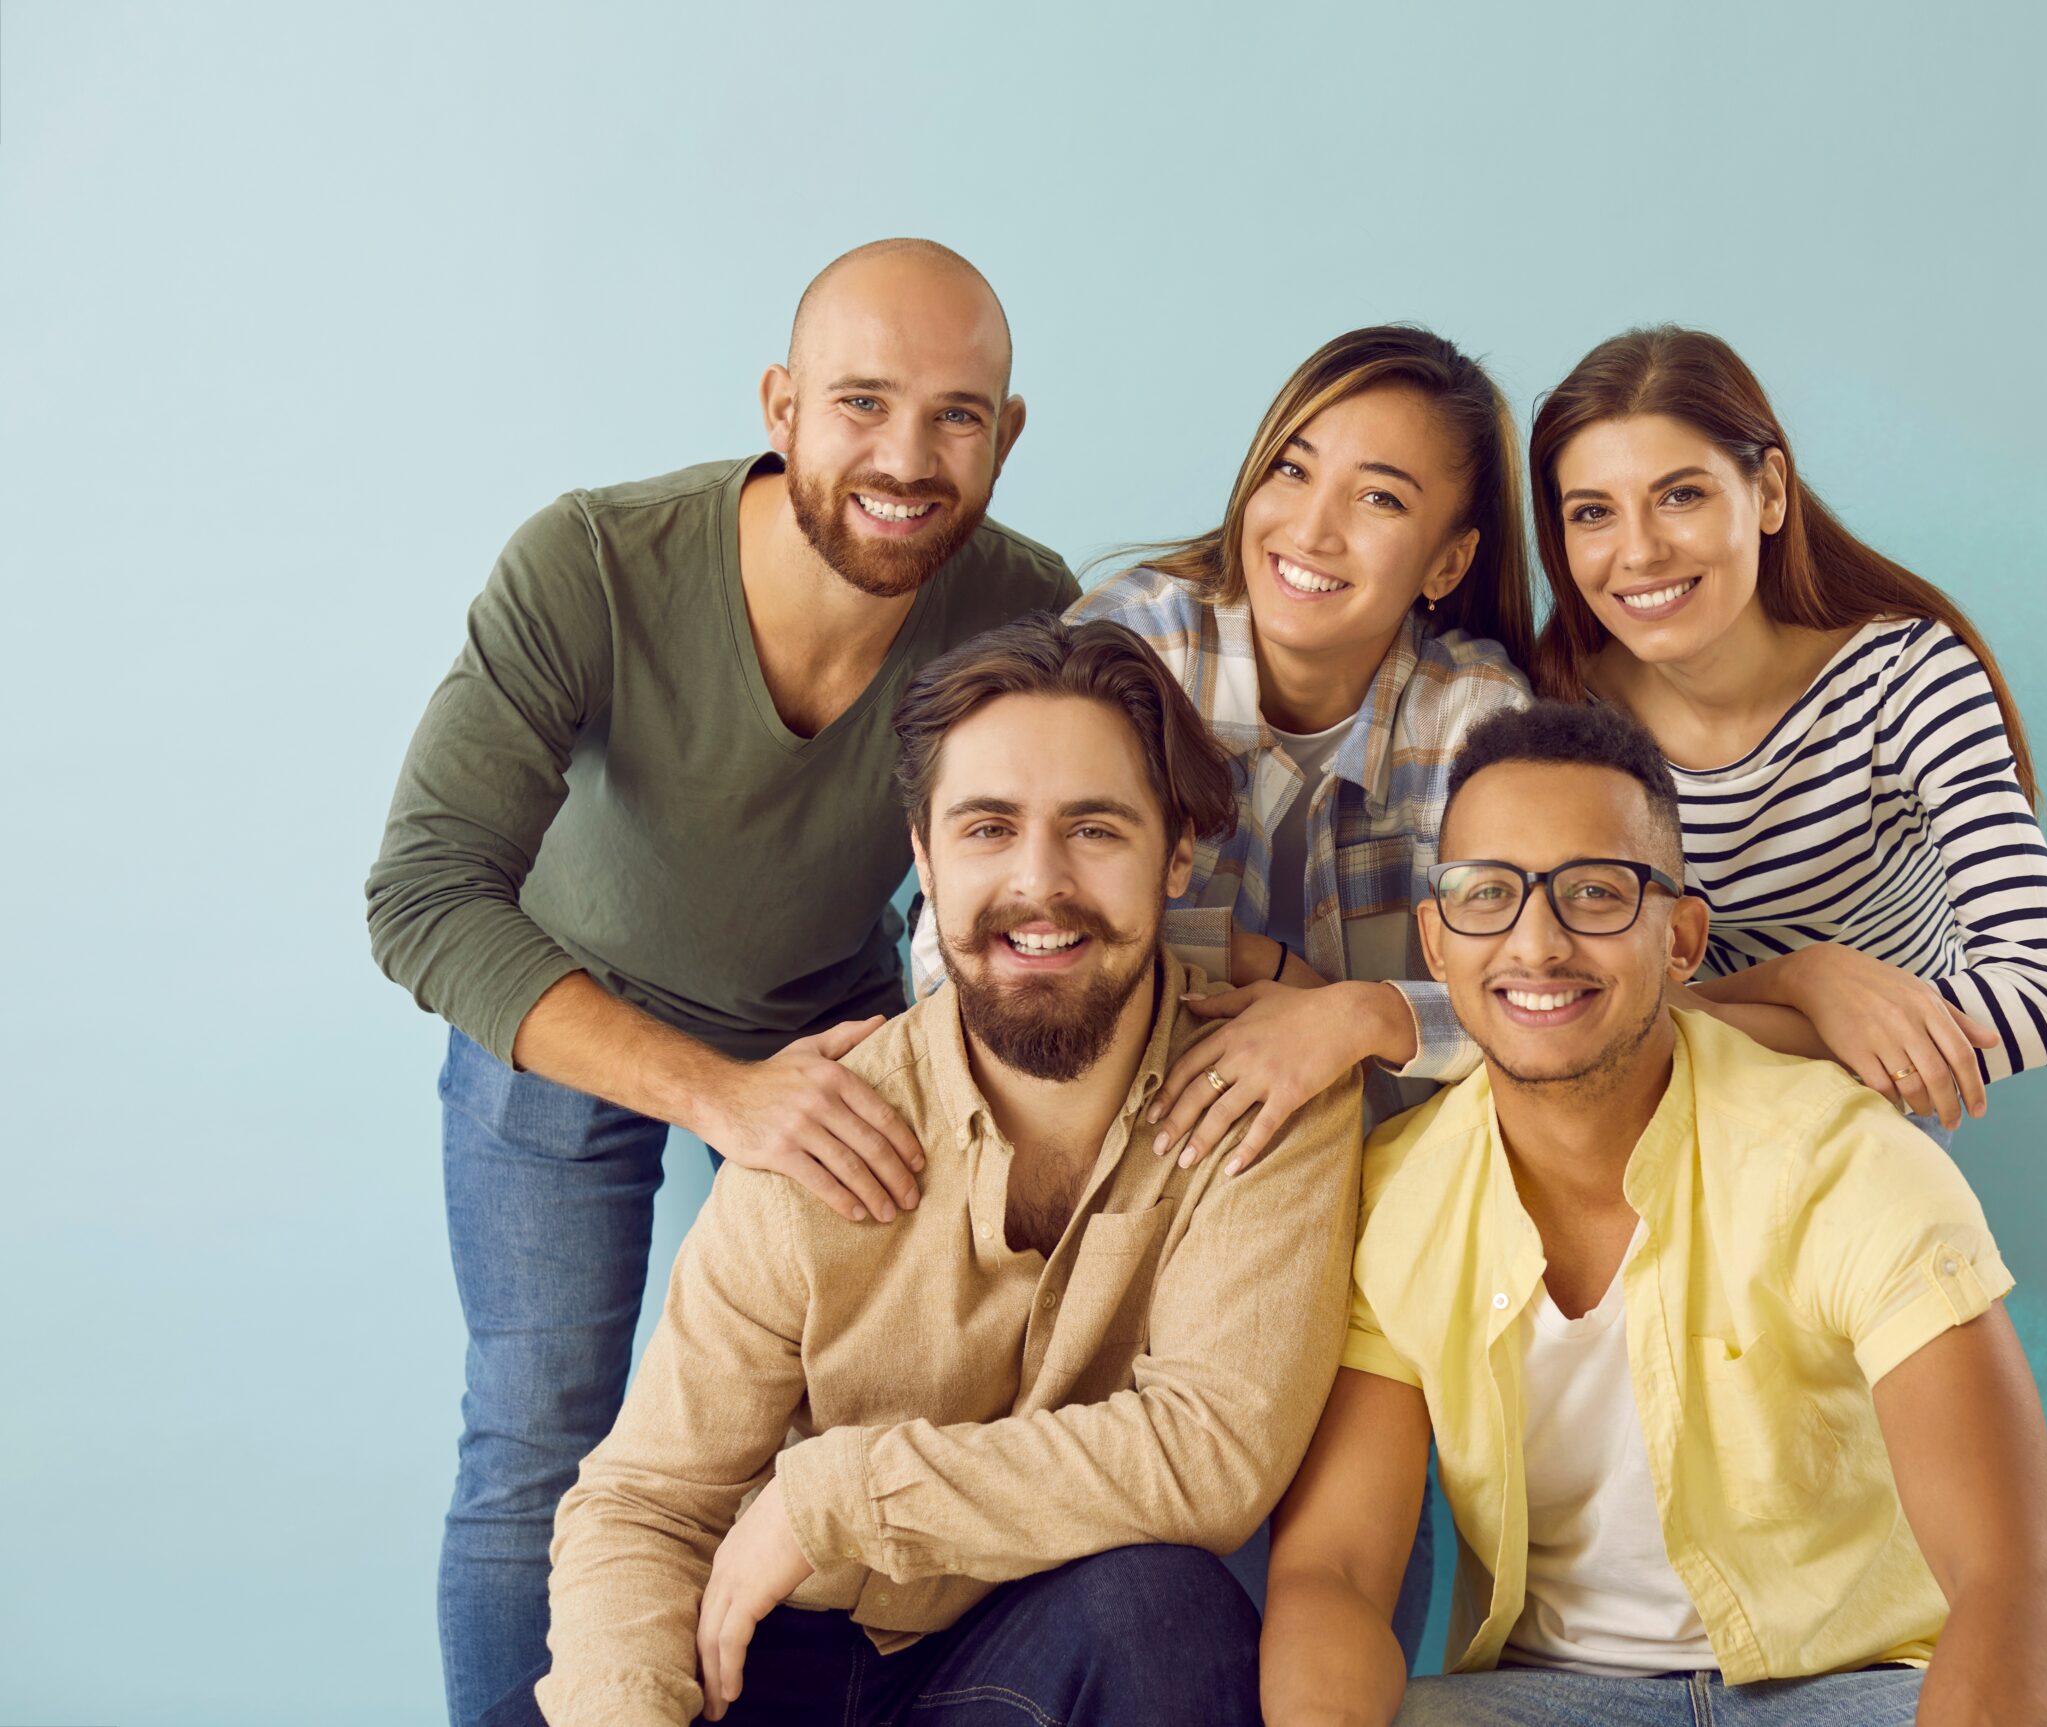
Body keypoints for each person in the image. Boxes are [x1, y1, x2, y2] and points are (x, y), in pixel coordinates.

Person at [364, 239, 1080, 1727]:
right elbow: (424, 894)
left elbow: (1015, 878)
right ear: (781, 402)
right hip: (556, 1020)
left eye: (958, 414)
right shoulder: (591, 562)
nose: (906, 455)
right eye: (862, 402)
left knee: (832, 1436)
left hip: (830, 1020)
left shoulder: (1023, 609)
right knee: (538, 1433)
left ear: (1008, 436)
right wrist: (720, 1097)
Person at [481, 614, 1362, 1727]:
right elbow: (648, 1498)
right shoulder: (818, 1121)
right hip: (775, 1644)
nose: (1038, 885)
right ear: (924, 852)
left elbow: (1213, 1453)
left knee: (1166, 1608)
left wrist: (836, 1495)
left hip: (1039, 1652)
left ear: (1177, 850)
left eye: (1093, 827)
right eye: (988, 827)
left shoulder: (1266, 1095)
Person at [1260, 700, 2047, 1727]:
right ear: (1436, 943)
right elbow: (1335, 1571)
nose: (1536, 941)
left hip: (1860, 1687)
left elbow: (2012, 1583)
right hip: (1539, 1696)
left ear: (1682, 936)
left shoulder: (1841, 1157)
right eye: (1488, 894)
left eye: (1596, 893)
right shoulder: (1398, 1195)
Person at [909, 322, 1534, 1654]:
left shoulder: (1471, 718)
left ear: (1451, 560)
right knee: (1105, 1560)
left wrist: (1350, 1008)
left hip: (1347, 1186)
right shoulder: (1140, 644)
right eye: (1292, 469)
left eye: (1381, 497)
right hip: (1097, 1162)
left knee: (1340, 1542)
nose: (1312, 524)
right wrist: (1267, 975)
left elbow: (1540, 997)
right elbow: (980, 945)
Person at [1526, 326, 2047, 1137]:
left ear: (1769, 492)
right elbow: (1587, 1002)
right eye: (1593, 513)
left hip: (1868, 1119)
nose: (1639, 551)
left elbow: (2045, 998)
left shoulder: (1906, 678)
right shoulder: (1567, 716)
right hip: (1672, 1114)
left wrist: (1691, 1021)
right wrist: (1803, 979)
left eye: (1681, 495)